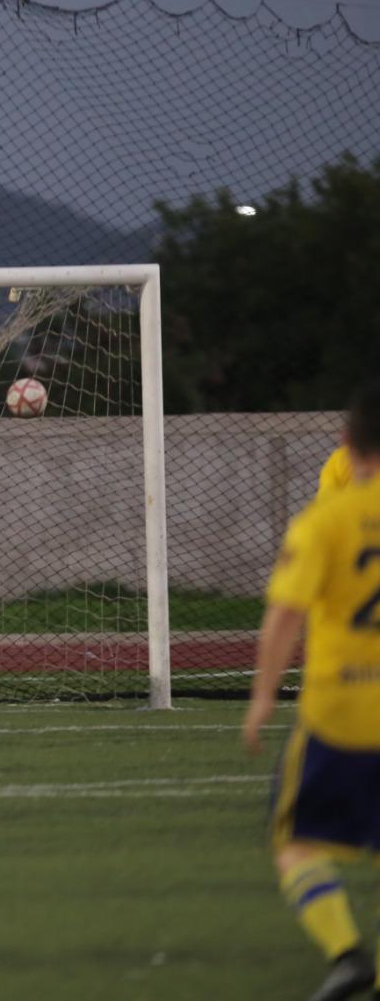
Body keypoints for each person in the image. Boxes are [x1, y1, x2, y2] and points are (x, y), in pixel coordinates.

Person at [243, 382, 380, 1001]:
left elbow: (285, 614)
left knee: (294, 841)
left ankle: (347, 953)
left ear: (347, 444)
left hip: (338, 712)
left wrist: (263, 698)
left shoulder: (327, 517)